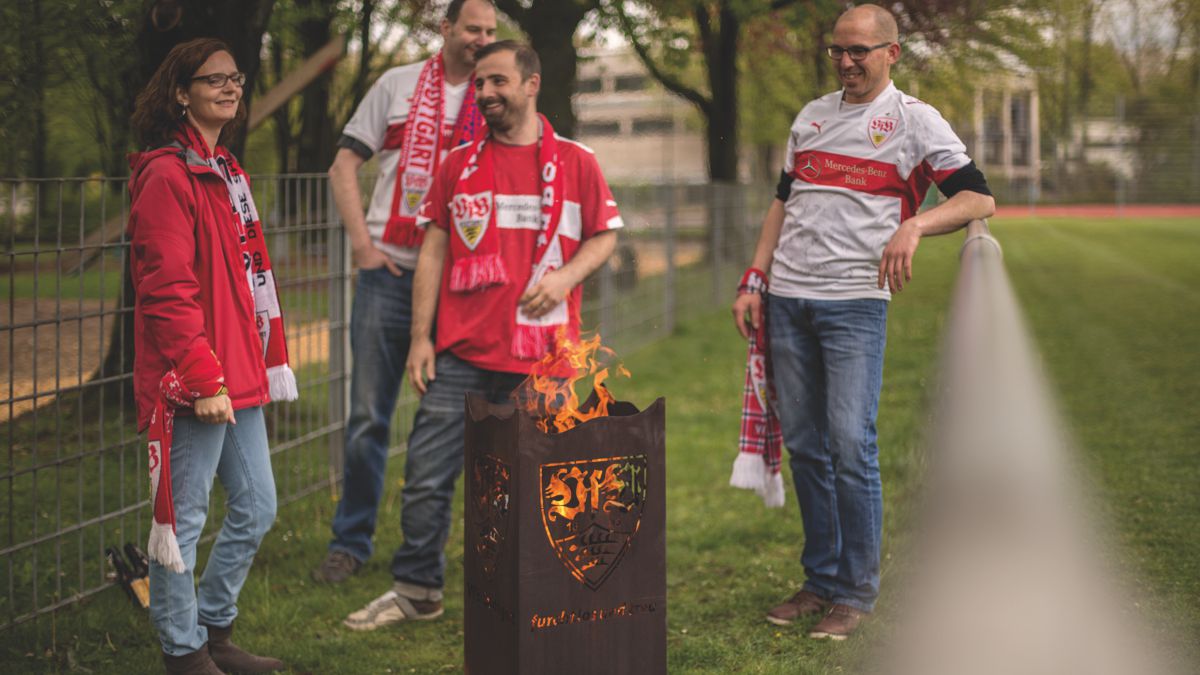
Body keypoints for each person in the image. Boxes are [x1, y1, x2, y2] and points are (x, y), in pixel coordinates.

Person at [731, 4, 995, 641]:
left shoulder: (914, 121)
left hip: (855, 304)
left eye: (861, 52)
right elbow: (782, 203)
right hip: (787, 301)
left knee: (850, 444)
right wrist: (755, 276)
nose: (847, 62)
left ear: (892, 53)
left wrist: (916, 222)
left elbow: (977, 197)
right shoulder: (811, 116)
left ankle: (855, 592)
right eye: (838, 51)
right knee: (805, 446)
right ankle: (820, 579)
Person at [342, 40, 622, 631]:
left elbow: (604, 236)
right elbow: (434, 250)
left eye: (499, 81)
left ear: (530, 84)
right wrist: (422, 337)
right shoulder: (458, 165)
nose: (487, 92)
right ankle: (418, 591)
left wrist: (565, 276)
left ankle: (544, 597)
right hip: (463, 354)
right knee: (425, 477)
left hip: (545, 360)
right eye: (480, 84)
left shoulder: (577, 161)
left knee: (545, 486)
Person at [128, 38, 298, 674]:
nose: (231, 88)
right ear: (181, 92)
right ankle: (184, 653)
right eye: (213, 80)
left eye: (236, 78)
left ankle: (214, 631)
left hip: (237, 372)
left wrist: (239, 368)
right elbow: (167, 287)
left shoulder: (226, 170)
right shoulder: (166, 176)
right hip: (192, 378)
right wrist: (202, 375)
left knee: (258, 507)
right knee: (185, 525)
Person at [314, 0, 498, 584]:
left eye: (491, 32)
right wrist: (362, 249)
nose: (482, 39)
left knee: (452, 420)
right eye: (473, 29)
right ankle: (352, 541)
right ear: (445, 30)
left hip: (461, 286)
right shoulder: (394, 86)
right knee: (369, 415)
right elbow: (343, 166)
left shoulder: (498, 94)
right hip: (389, 274)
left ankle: (437, 547)